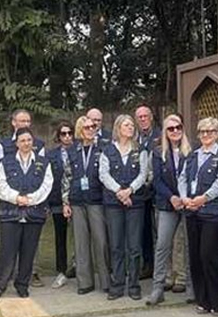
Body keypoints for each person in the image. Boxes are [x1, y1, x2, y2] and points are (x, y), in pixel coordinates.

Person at [0, 128, 53, 301]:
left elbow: (47, 185)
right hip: (11, 213)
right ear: (16, 143)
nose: (26, 143)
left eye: (29, 140)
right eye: (23, 140)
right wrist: (17, 198)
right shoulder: (6, 161)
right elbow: (0, 186)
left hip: (34, 213)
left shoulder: (43, 162)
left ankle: (22, 285)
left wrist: (30, 200)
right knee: (7, 251)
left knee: (29, 251)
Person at [180, 117, 218, 315]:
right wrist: (185, 198)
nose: (205, 135)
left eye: (210, 131)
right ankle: (203, 301)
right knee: (195, 257)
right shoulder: (192, 156)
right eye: (202, 131)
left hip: (213, 214)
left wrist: (204, 198)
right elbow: (183, 178)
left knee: (210, 256)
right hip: (192, 212)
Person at [99, 114, 149, 300]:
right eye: (126, 125)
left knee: (134, 246)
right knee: (116, 245)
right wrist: (120, 192)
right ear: (118, 128)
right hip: (113, 204)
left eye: (131, 125)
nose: (130, 128)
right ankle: (117, 284)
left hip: (135, 204)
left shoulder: (140, 150)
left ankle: (134, 285)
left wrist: (130, 191)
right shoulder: (107, 151)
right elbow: (104, 175)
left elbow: (143, 174)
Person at [62, 116, 110, 295]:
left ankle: (106, 280)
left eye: (93, 127)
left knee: (101, 241)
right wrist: (66, 202)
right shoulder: (73, 151)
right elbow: (66, 177)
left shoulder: (103, 148)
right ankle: (85, 282)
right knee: (81, 243)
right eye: (87, 127)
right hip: (77, 201)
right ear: (80, 131)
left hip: (97, 200)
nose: (91, 130)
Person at [148, 114, 193, 305]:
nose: (175, 131)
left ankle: (191, 287)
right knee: (162, 245)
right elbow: (156, 180)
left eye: (178, 127)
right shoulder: (158, 153)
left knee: (189, 246)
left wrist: (185, 198)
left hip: (188, 204)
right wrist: (172, 197)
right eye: (171, 128)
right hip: (167, 204)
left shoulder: (192, 151)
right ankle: (158, 288)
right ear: (165, 132)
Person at [46, 121, 73, 289]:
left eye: (70, 133)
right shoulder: (51, 155)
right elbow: (49, 180)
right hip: (57, 201)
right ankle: (61, 271)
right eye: (63, 134)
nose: (67, 136)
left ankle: (82, 268)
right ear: (58, 136)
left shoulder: (79, 151)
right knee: (60, 237)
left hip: (77, 200)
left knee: (82, 237)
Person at [136, 105, 161, 281]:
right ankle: (148, 264)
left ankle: (162, 268)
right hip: (141, 192)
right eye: (140, 117)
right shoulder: (134, 138)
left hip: (158, 190)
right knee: (144, 231)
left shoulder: (160, 136)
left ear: (151, 117)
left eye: (145, 116)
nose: (143, 119)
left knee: (160, 231)